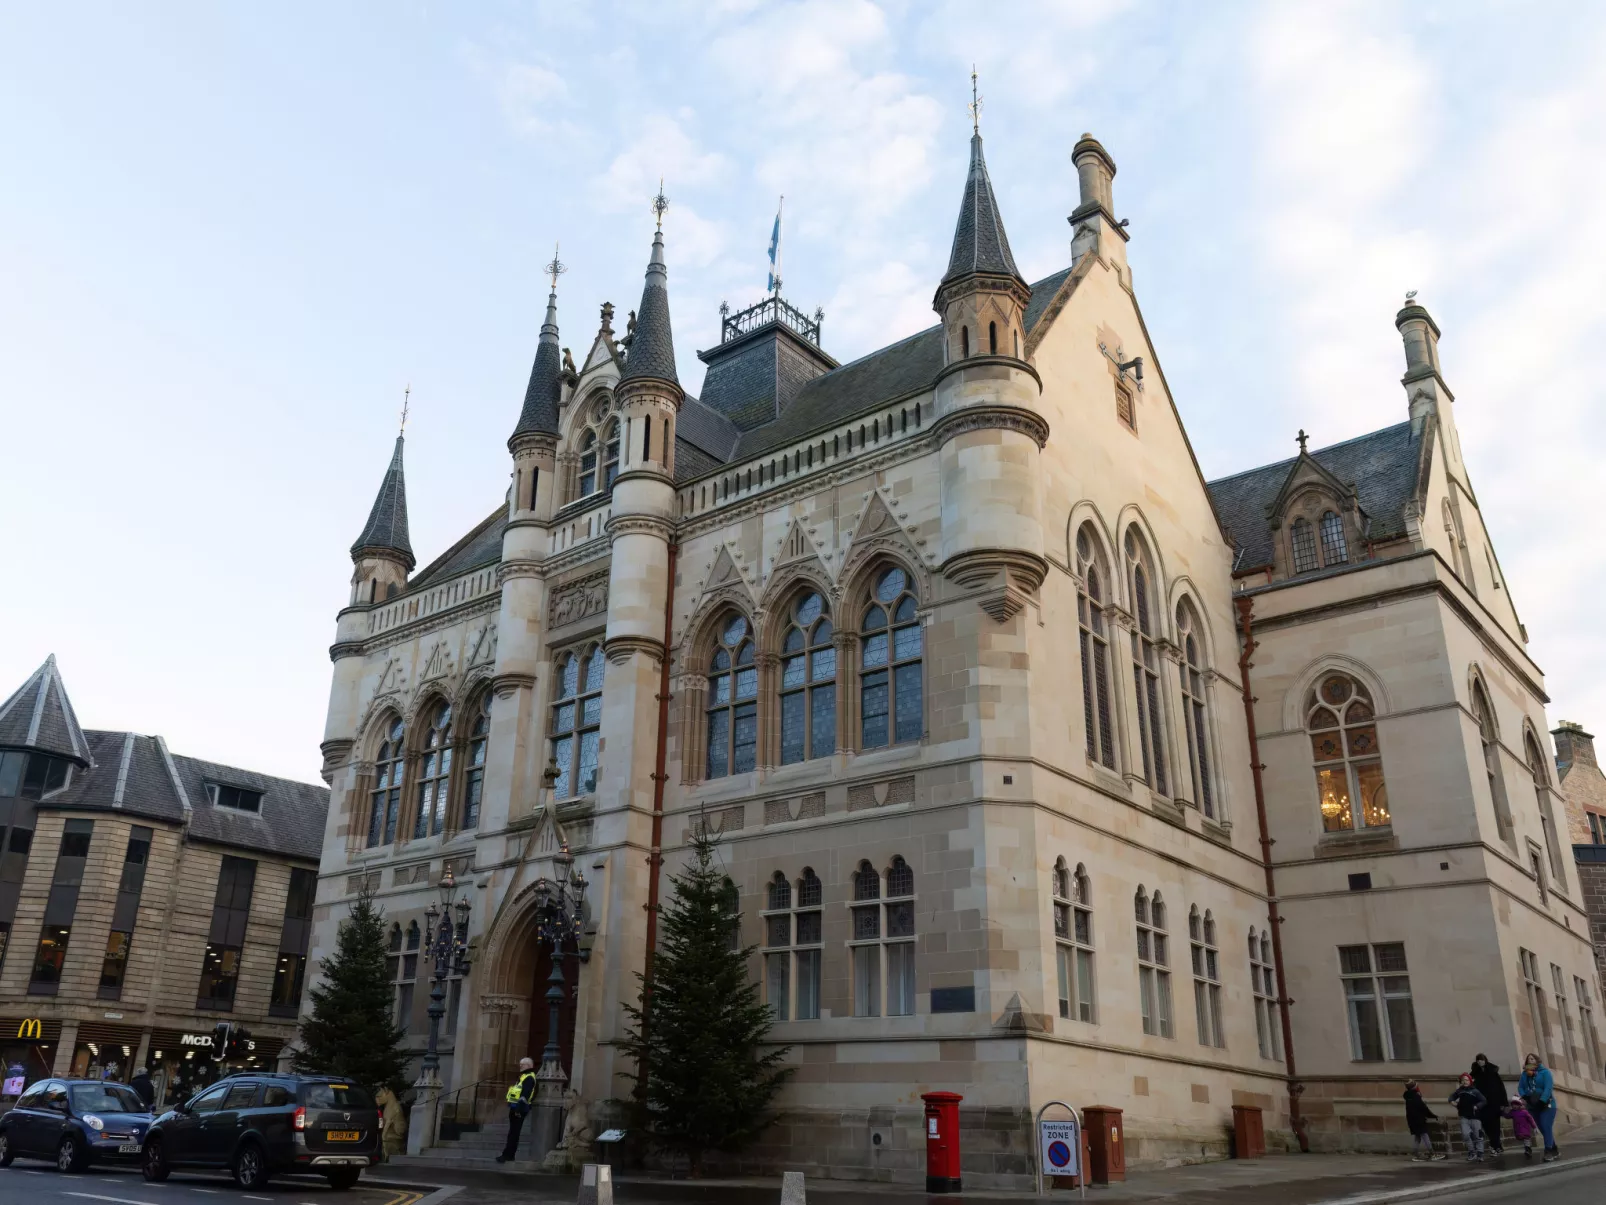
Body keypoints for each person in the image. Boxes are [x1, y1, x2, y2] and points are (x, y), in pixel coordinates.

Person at [1517, 1053, 1559, 1161]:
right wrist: (1525, 1096)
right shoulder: (1524, 1074)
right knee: (1543, 1128)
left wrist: (1542, 1100)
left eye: (1532, 1058)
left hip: (1547, 1104)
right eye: (1528, 1059)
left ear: (1537, 1060)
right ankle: (1554, 1148)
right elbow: (1521, 1087)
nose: (1530, 1060)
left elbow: (1548, 1087)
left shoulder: (1545, 1072)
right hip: (1532, 1105)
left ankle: (1548, 1151)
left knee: (1546, 1125)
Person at [496, 1057, 538, 1163]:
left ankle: (508, 1155)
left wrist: (518, 1109)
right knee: (512, 1133)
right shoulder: (524, 1076)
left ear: (529, 1066)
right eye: (520, 1064)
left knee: (514, 1133)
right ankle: (507, 1154)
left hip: (519, 1108)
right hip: (515, 1107)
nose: (520, 1066)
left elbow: (525, 1094)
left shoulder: (529, 1077)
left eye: (522, 1064)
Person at [1469, 1053, 1506, 1154]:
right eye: (1478, 1060)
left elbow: (1500, 1087)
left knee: (1495, 1125)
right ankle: (1495, 1145)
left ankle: (1496, 1145)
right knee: (1486, 1125)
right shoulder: (1475, 1074)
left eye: (1481, 1060)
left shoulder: (1493, 1072)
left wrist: (1503, 1103)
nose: (1480, 1062)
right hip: (1482, 1104)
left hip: (1494, 1102)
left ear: (1485, 1060)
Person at [1403, 1080, 1446, 1161]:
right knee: (1425, 1136)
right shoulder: (1416, 1096)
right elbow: (1423, 1109)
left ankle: (1415, 1155)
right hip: (1418, 1120)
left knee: (1417, 1137)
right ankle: (1432, 1154)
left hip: (1411, 1120)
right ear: (1414, 1086)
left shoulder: (1408, 1096)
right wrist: (1433, 1116)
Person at [1448, 1074, 1487, 1161]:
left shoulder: (1475, 1091)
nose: (1465, 1082)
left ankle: (1480, 1153)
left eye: (1466, 1080)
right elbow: (1451, 1097)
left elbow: (1484, 1100)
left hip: (1475, 1117)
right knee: (1465, 1135)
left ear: (1470, 1081)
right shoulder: (1460, 1091)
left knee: (1478, 1136)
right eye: (1463, 1080)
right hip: (1464, 1116)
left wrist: (1477, 1106)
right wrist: (1452, 1102)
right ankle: (1471, 1152)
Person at [1504, 1095, 1539, 1160]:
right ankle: (1528, 1149)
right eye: (1513, 1105)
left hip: (1525, 1128)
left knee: (1526, 1139)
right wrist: (1504, 1112)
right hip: (1517, 1129)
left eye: (1516, 1104)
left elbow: (1530, 1119)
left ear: (1519, 1105)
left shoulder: (1524, 1112)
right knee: (1522, 1138)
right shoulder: (1512, 1112)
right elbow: (1507, 1116)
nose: (1514, 1106)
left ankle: (1528, 1150)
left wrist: (1534, 1127)